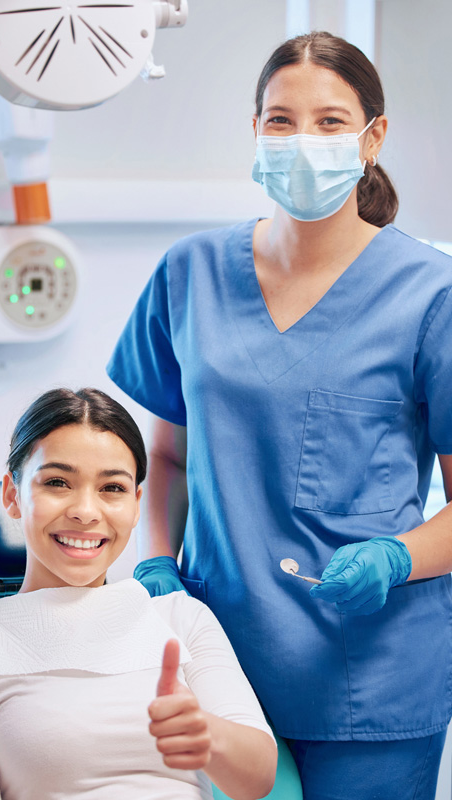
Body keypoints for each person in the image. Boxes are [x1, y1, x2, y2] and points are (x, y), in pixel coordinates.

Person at [107, 30, 452, 799]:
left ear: (373, 139)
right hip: (214, 655)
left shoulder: (433, 296)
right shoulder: (190, 273)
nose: (304, 141)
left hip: (369, 678)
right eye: (280, 120)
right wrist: (157, 562)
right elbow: (165, 459)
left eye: (331, 122)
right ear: (255, 133)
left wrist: (395, 557)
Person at [0, 388, 277, 800]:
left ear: (137, 503)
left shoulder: (181, 619)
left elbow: (258, 780)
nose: (86, 511)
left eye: (112, 489)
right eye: (57, 482)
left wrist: (206, 733)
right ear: (12, 495)